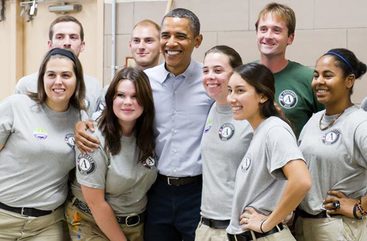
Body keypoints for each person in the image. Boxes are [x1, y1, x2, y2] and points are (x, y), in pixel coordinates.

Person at [0, 48, 85, 240]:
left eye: (66, 75)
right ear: (42, 79)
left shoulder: (81, 119)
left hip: (47, 225)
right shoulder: (16, 106)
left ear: (77, 80)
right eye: (51, 75)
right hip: (3, 217)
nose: (58, 82)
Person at [142, 8, 213, 241]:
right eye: (165, 35)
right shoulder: (144, 81)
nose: (171, 43)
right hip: (156, 190)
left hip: (198, 191)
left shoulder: (211, 81)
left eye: (180, 36)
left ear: (197, 40)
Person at [65, 67, 157, 241]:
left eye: (135, 96)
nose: (127, 102)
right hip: (91, 223)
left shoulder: (149, 135)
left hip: (136, 224)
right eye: (121, 95)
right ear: (111, 99)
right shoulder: (92, 139)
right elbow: (95, 203)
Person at [226, 63, 311, 241]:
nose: (231, 98)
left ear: (263, 95)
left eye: (240, 91)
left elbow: (302, 180)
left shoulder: (274, 129)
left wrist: (267, 223)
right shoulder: (261, 131)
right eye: (230, 90)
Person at [295, 48, 367, 241]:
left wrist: (361, 206)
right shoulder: (314, 120)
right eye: (316, 75)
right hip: (304, 225)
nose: (319, 81)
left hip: (338, 227)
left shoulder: (360, 123)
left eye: (328, 75)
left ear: (349, 81)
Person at [195, 45, 253, 241]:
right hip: (206, 225)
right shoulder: (212, 108)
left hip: (238, 228)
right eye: (206, 70)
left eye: (218, 70)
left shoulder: (253, 115)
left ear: (236, 74)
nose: (210, 76)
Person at [255, 2, 323, 137]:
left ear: (290, 38)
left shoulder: (308, 78)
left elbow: (332, 121)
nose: (268, 36)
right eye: (263, 29)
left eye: (276, 30)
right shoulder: (243, 76)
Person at [15, 15, 101, 116]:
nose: (67, 43)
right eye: (60, 37)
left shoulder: (93, 86)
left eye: (73, 37)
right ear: (50, 45)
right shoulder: (27, 85)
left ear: (82, 46)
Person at [92, 19, 161, 119]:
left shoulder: (168, 89)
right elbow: (97, 123)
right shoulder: (113, 89)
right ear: (130, 45)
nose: (141, 46)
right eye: (136, 41)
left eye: (148, 41)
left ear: (161, 46)